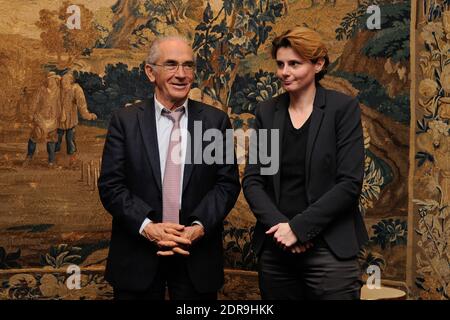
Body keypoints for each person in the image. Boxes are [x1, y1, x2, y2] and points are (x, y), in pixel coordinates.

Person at [98, 36, 240, 300]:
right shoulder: (125, 121)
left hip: (196, 259)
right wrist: (148, 227)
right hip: (137, 259)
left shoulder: (215, 122)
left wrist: (197, 227)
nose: (182, 74)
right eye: (172, 65)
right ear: (151, 72)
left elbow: (226, 184)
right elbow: (111, 185)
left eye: (188, 66)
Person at [242, 27, 369, 300]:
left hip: (330, 250)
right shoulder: (267, 112)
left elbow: (349, 184)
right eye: (280, 64)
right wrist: (282, 229)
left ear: (318, 64)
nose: (284, 72)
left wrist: (299, 229)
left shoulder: (342, 109)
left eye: (294, 64)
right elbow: (253, 181)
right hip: (277, 252)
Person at [55, 72, 97, 163]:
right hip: (58, 120)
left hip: (70, 120)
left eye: (66, 80)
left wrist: (88, 116)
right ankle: (55, 157)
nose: (63, 82)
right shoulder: (57, 89)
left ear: (71, 81)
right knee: (56, 138)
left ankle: (72, 159)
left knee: (70, 139)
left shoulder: (76, 89)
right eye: (63, 80)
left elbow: (82, 105)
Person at [24, 72, 61, 167]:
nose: (50, 82)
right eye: (48, 80)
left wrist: (61, 114)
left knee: (51, 139)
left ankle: (51, 160)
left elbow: (60, 104)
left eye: (52, 80)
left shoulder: (58, 91)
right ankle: (29, 157)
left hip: (53, 118)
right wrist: (31, 114)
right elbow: (34, 102)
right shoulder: (41, 90)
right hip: (40, 117)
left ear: (55, 80)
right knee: (34, 136)